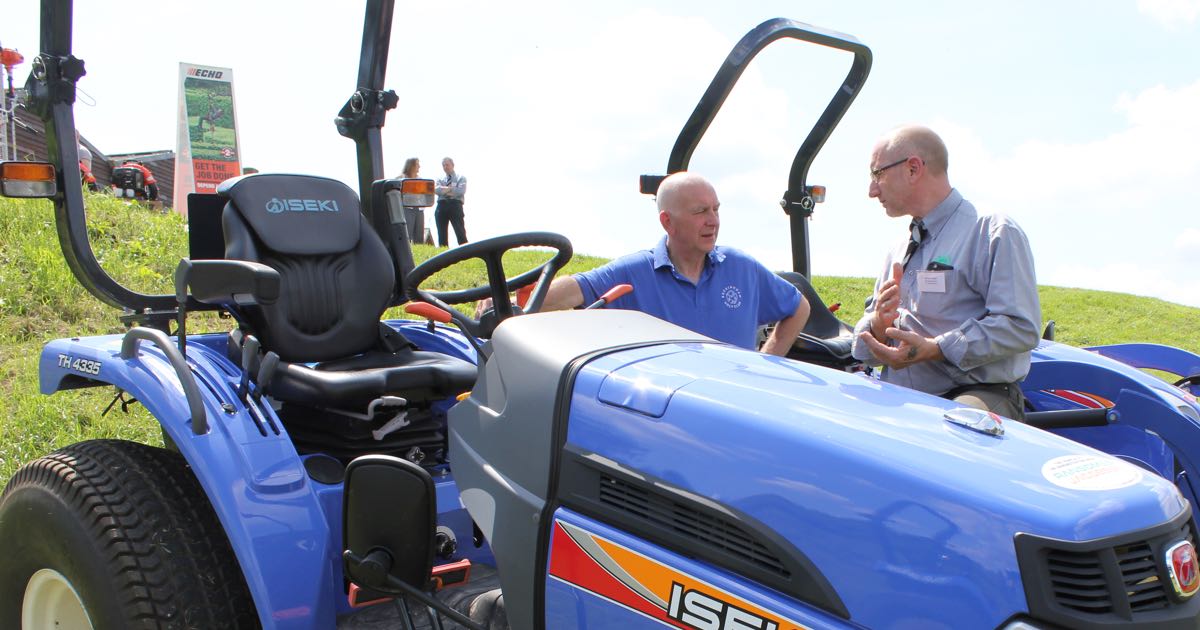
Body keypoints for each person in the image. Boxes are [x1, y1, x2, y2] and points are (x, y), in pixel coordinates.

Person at [851, 125, 1040, 420]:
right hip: (903, 398)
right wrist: (877, 325)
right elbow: (868, 347)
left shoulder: (992, 232)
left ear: (913, 168)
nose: (872, 190)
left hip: (975, 396)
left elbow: (1020, 326)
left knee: (952, 432)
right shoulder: (897, 249)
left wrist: (936, 348)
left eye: (877, 174)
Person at [540, 171, 810, 356]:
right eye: (700, 211)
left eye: (716, 209)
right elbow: (575, 289)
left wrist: (765, 362)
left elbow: (799, 307)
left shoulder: (741, 268)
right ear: (667, 222)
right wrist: (508, 303)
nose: (713, 220)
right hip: (670, 420)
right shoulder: (636, 273)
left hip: (734, 411)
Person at [434, 157, 467, 246]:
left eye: (447, 165)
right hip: (441, 206)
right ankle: (444, 255)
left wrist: (445, 190)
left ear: (452, 165)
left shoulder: (461, 178)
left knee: (460, 232)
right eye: (443, 165)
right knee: (442, 234)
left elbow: (460, 191)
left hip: (455, 205)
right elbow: (436, 191)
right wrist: (452, 190)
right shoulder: (439, 179)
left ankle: (466, 253)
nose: (445, 167)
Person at [400, 157, 425, 244]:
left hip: (419, 209)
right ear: (411, 165)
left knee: (419, 235)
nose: (419, 166)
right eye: (417, 164)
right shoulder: (401, 179)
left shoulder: (421, 179)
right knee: (407, 233)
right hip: (407, 208)